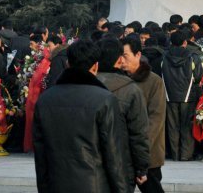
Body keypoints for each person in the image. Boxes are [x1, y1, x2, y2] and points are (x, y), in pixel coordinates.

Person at [33, 40, 128, 192]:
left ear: (67, 63)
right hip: (95, 185)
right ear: (95, 66)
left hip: (56, 185)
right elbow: (114, 155)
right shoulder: (104, 100)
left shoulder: (45, 100)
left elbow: (40, 156)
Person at [96, 38, 150, 189]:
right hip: (122, 164)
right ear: (119, 60)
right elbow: (139, 133)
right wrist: (141, 167)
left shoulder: (84, 86)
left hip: (87, 165)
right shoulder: (131, 90)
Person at [122, 36, 166, 193]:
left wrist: (140, 152)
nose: (122, 60)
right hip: (123, 154)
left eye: (125, 56)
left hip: (149, 154)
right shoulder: (119, 81)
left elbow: (156, 120)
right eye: (119, 56)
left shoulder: (154, 82)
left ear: (138, 55)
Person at [162, 29, 203, 161]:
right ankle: (186, 155)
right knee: (187, 126)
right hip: (188, 96)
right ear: (185, 42)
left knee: (172, 126)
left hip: (169, 96)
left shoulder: (165, 57)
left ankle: (175, 154)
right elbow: (197, 77)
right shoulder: (192, 57)